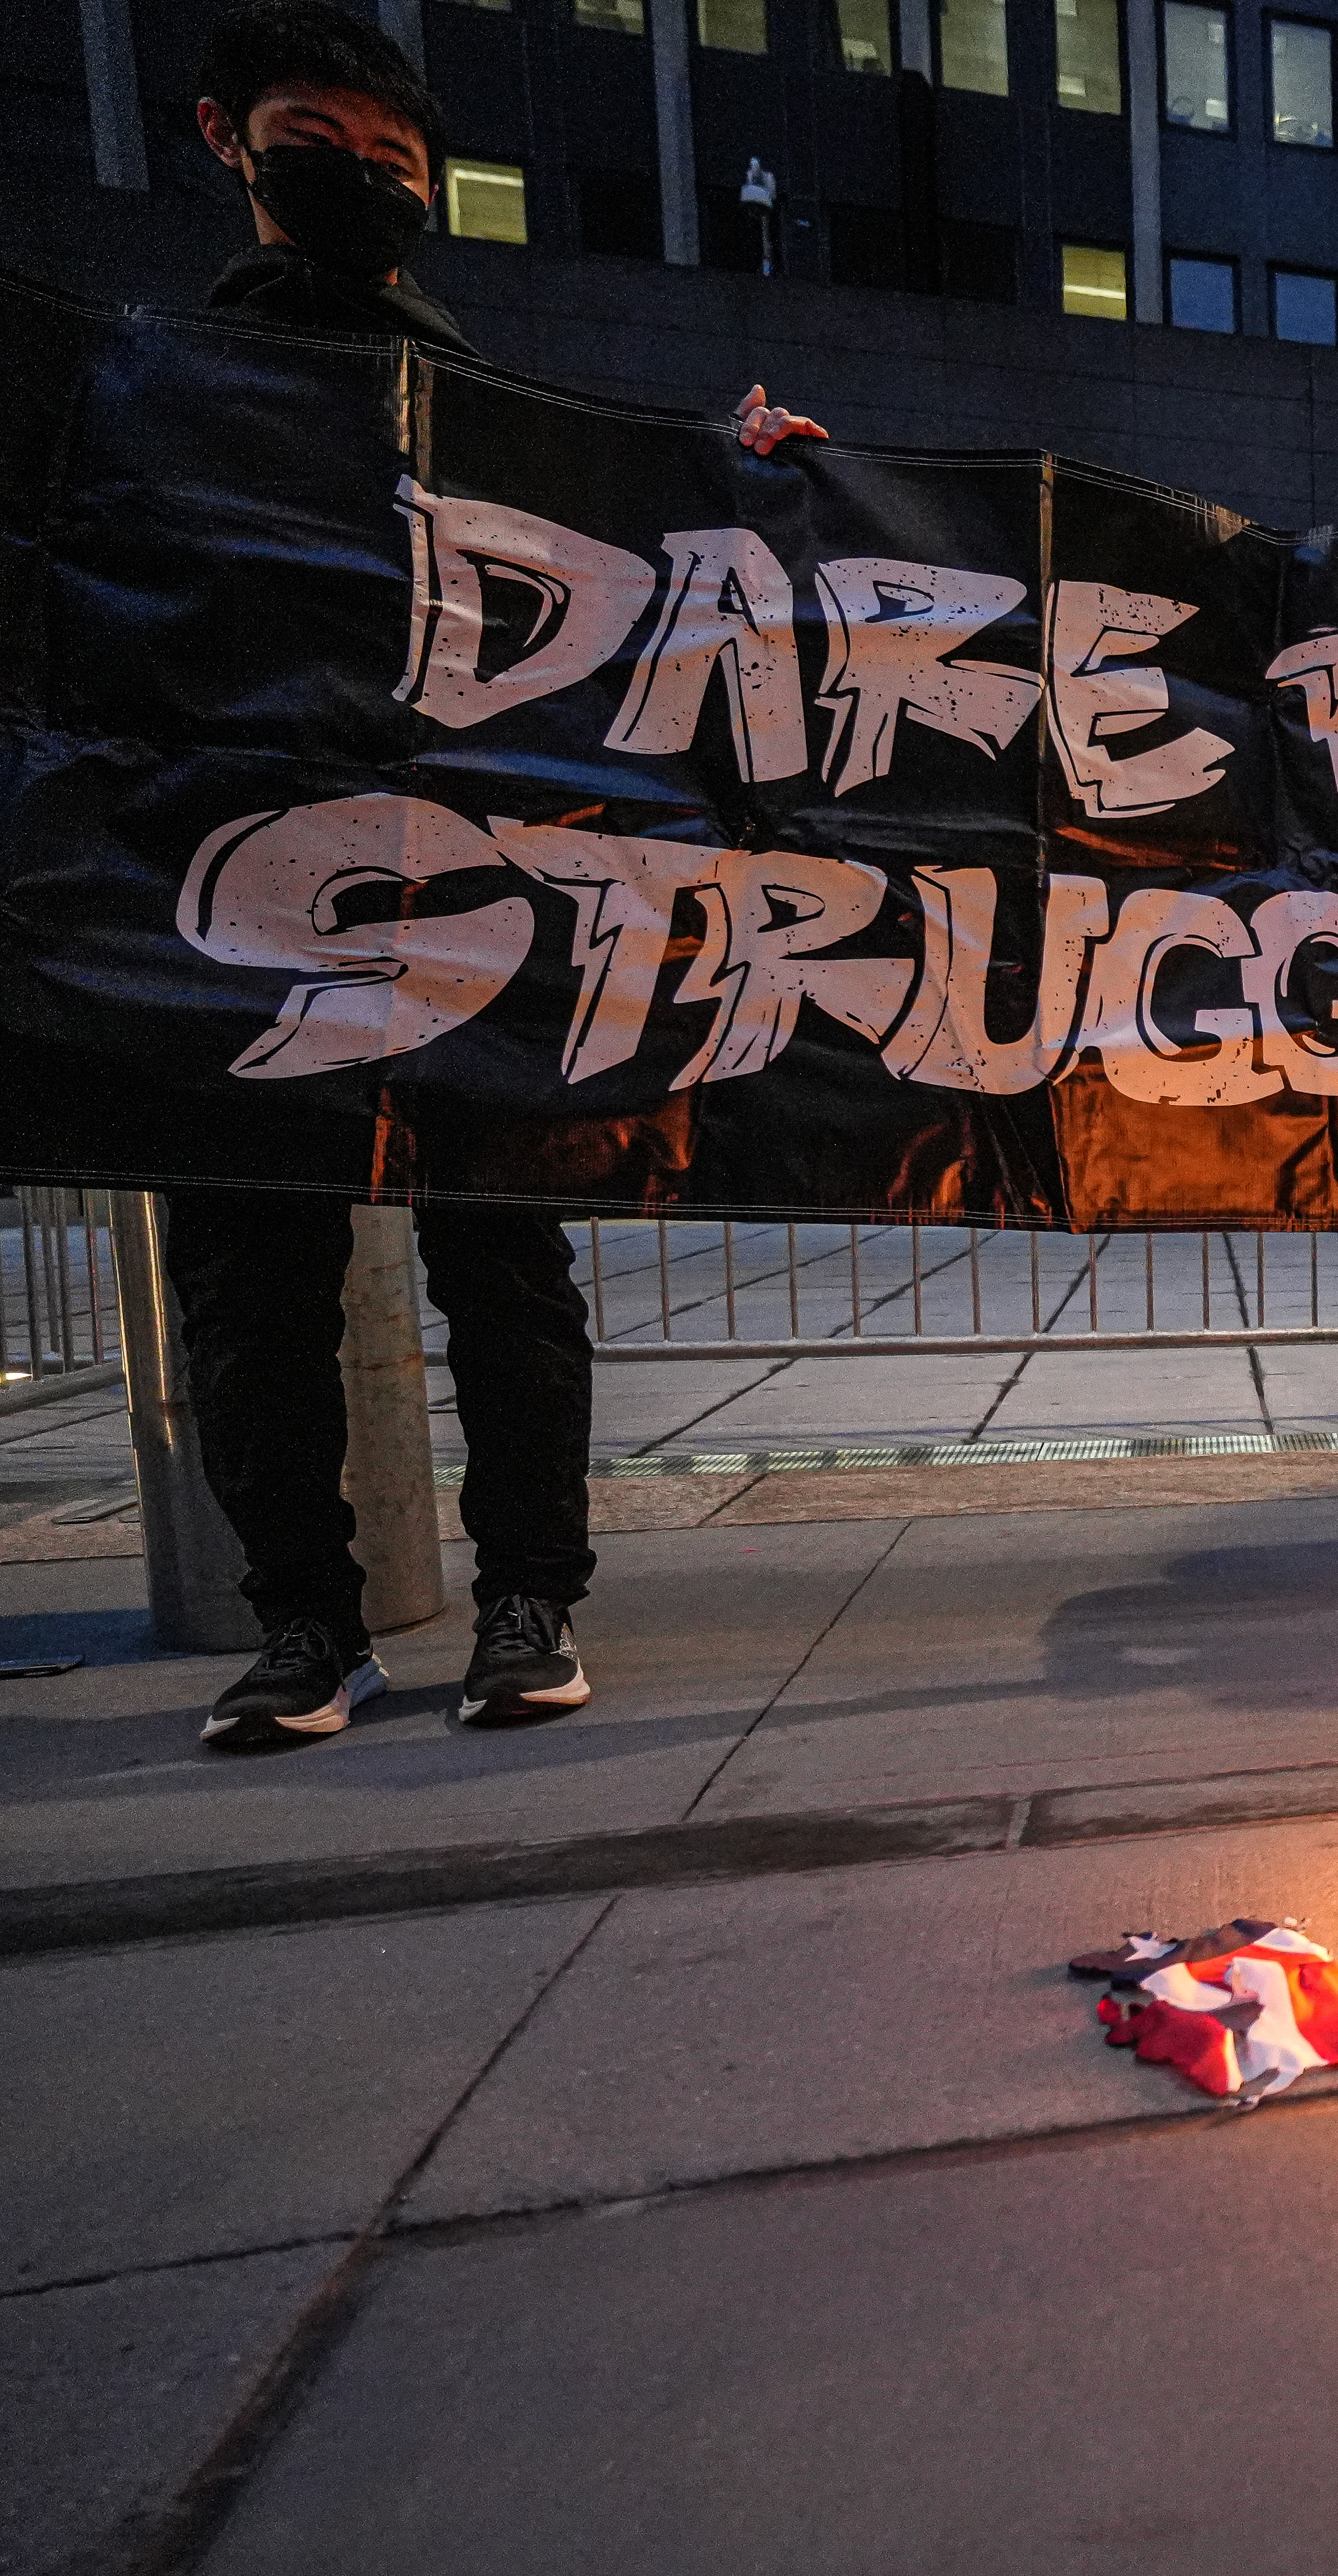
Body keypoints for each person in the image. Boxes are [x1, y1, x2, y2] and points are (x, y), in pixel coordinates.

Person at [181, 1, 824, 1751]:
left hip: (479, 910)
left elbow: (630, 576)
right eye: (323, 141)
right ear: (227, 138)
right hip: (239, 905)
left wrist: (742, 485)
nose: (362, 181)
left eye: (394, 161)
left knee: (504, 1268)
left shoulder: (483, 409)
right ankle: (306, 1622)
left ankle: (527, 1596)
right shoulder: (160, 396)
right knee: (253, 1291)